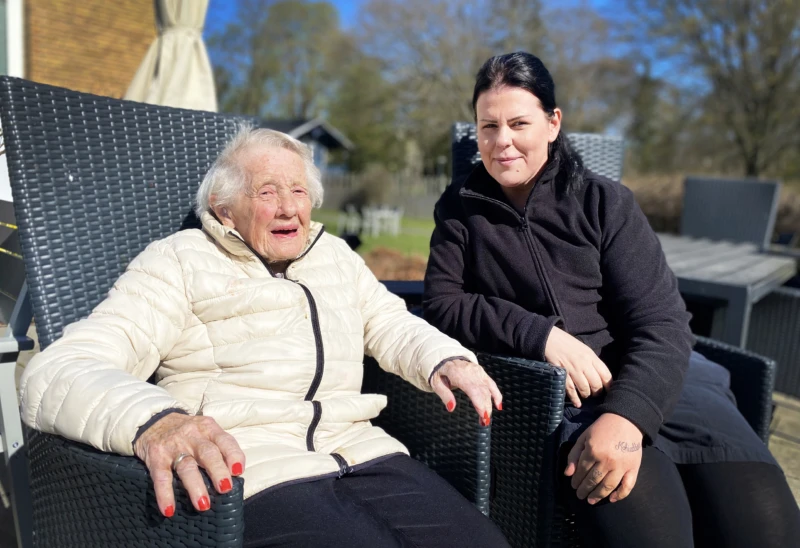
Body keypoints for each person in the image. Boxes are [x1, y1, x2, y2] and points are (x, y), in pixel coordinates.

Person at [19, 125, 509, 548]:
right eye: (267, 191)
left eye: (298, 192)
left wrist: (443, 358)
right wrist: (157, 423)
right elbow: (58, 369)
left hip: (364, 450)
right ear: (223, 207)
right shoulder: (178, 261)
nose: (289, 209)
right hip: (254, 473)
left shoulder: (333, 255)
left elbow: (389, 322)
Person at [423, 51, 800, 548]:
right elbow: (445, 303)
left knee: (770, 530)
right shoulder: (459, 209)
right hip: (572, 404)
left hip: (666, 386)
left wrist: (627, 418)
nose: (502, 141)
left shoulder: (604, 201)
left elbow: (664, 323)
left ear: (553, 123)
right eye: (488, 126)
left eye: (519, 123)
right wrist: (542, 337)